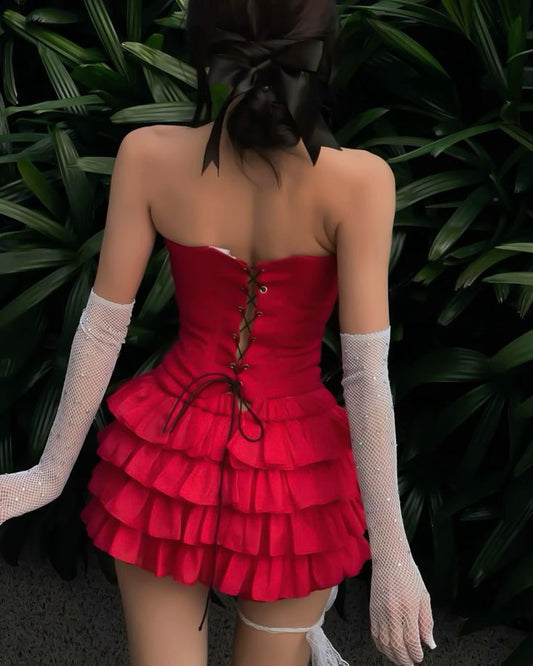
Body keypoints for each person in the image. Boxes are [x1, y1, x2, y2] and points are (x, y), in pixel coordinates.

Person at [0, 1, 437, 665]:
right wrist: (394, 554)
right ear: (322, 54)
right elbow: (363, 376)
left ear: (202, 51)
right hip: (296, 479)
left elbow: (103, 328)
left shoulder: (147, 156)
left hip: (164, 460)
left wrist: (50, 473)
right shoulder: (361, 182)